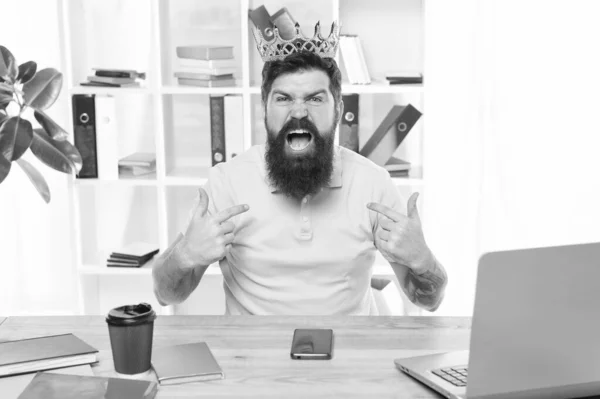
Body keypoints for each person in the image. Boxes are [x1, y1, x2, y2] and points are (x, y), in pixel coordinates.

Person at [153, 26, 447, 315]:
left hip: (347, 356)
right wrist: (185, 255)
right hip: (253, 358)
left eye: (315, 98)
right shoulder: (226, 183)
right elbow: (166, 294)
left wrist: (422, 259)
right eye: (283, 98)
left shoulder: (373, 184)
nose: (298, 111)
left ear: (338, 108)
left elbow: (428, 300)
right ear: (264, 109)